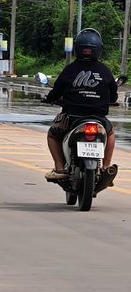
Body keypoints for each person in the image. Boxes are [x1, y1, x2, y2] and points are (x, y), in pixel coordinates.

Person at [43, 28, 119, 185]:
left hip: (72, 118)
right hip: (98, 119)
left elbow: (57, 90)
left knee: (52, 135)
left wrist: (50, 99)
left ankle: (59, 168)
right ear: (98, 49)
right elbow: (113, 95)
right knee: (110, 134)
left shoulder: (70, 69)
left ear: (77, 48)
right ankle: (105, 167)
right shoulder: (105, 71)